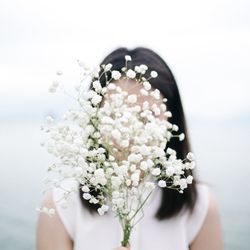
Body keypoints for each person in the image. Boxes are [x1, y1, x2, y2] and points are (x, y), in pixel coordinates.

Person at [36, 47, 224, 250]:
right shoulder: (59, 206)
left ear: (171, 121)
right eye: (115, 115)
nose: (129, 132)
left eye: (147, 117)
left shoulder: (200, 206)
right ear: (95, 118)